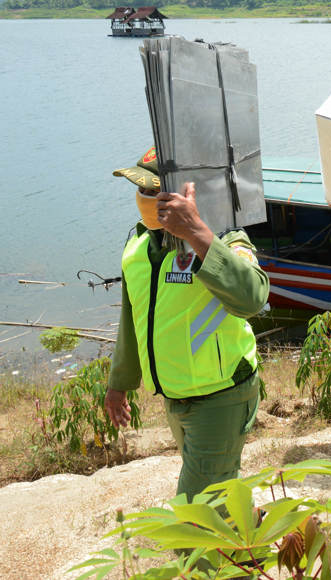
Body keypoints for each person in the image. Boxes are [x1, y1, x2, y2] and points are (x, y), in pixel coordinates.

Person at [104, 148, 269, 500]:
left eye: (155, 190)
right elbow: (132, 319)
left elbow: (254, 297)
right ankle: (249, 526)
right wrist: (119, 383)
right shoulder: (138, 246)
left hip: (222, 394)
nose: (146, 197)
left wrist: (195, 232)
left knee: (196, 505)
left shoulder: (223, 237)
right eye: (141, 189)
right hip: (175, 396)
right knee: (218, 490)